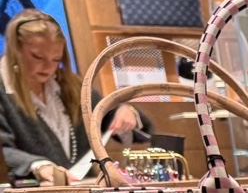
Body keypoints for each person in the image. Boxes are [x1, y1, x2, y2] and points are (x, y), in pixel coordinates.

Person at [0, 10, 142, 183]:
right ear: (15, 49)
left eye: (56, 59)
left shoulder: (72, 85)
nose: (48, 67)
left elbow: (114, 119)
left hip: (83, 189)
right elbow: (4, 151)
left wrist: (126, 111)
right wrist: (39, 166)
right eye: (38, 57)